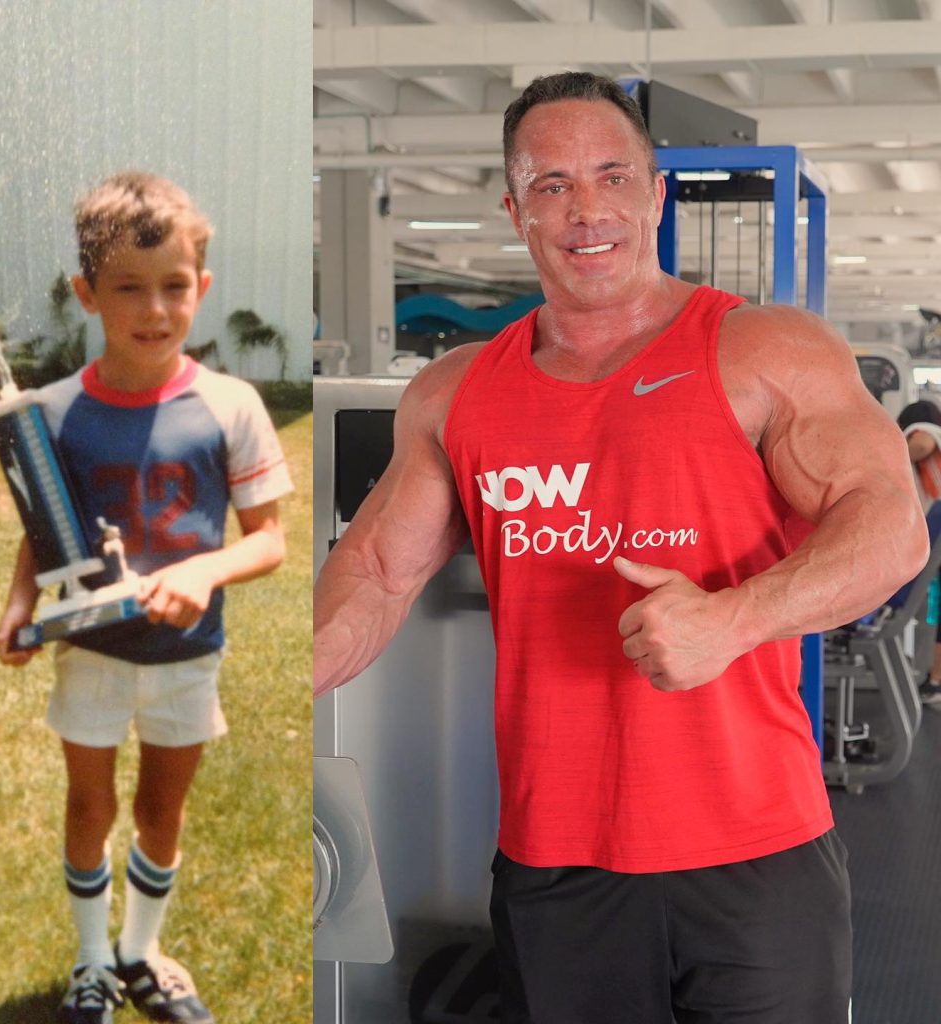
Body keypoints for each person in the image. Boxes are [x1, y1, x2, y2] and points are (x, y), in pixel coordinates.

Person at [313, 73, 927, 1024]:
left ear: (656, 193)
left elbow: (889, 528)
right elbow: (379, 573)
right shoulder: (454, 393)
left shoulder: (765, 349)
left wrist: (732, 620)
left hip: (753, 849)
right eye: (552, 184)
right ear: (516, 209)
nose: (585, 207)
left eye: (610, 175)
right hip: (558, 862)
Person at [0, 172, 293, 1024]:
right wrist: (19, 606)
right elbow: (39, 534)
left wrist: (204, 571)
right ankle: (92, 960)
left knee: (163, 807)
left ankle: (140, 951)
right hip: (91, 652)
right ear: (88, 294)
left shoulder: (231, 405)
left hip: (186, 656)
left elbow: (269, 540)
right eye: (129, 287)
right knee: (88, 804)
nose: (155, 309)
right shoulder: (54, 413)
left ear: (201, 287)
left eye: (174, 286)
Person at [896, 399, 941, 703]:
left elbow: (923, 439)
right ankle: (935, 679)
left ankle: (936, 679)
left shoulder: (923, 442)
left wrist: (888, 449)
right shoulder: (922, 472)